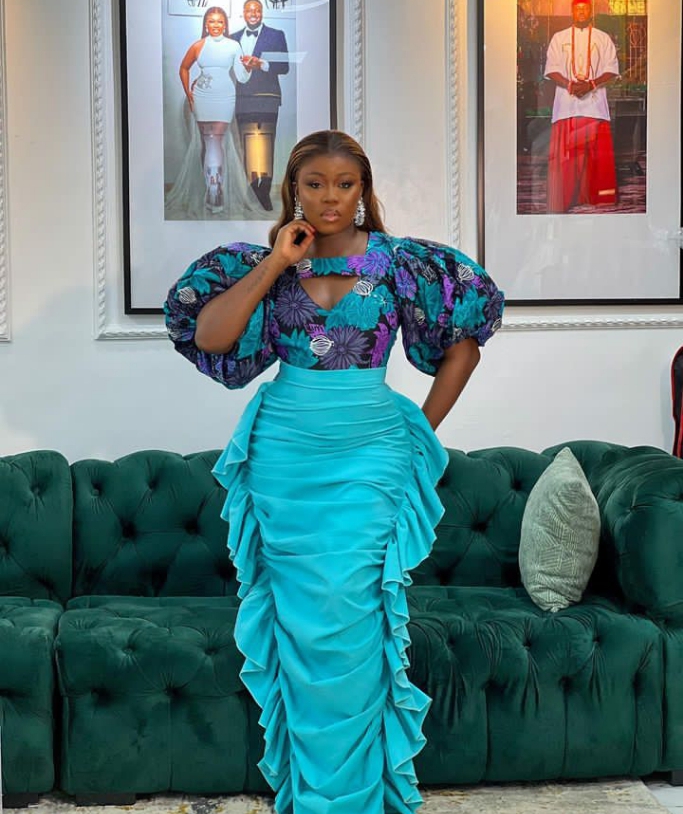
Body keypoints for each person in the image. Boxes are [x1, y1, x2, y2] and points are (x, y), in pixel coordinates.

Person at [164, 130, 504, 813]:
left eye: (344, 184)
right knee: (299, 623)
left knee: (351, 617)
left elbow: (464, 346)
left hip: (370, 453)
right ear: (294, 189)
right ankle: (313, 797)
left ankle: (352, 798)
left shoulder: (401, 264)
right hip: (284, 457)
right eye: (313, 184)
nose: (329, 198)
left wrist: (418, 434)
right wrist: (275, 262)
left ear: (362, 190)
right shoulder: (264, 264)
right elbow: (210, 336)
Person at [544, 0, 620, 213]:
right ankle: (566, 198)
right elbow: (551, 68)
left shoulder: (602, 38)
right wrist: (569, 84)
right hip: (566, 104)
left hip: (594, 104)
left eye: (585, 9)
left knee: (596, 154)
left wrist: (591, 84)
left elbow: (611, 68)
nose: (581, 13)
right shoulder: (559, 38)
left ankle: (598, 198)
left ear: (590, 12)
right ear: (572, 12)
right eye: (577, 9)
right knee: (567, 155)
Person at [173, 7, 250, 214]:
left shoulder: (234, 46)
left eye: (220, 21)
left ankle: (214, 189)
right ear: (206, 24)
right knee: (209, 141)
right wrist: (189, 94)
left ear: (225, 24)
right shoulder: (198, 46)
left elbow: (242, 77)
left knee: (215, 140)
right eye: (211, 21)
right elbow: (183, 68)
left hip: (225, 96)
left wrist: (249, 67)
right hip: (202, 97)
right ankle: (213, 189)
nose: (216, 25)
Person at [231, 0, 290, 211]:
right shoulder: (233, 38)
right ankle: (250, 192)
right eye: (249, 10)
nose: (253, 13)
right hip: (242, 98)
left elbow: (284, 66)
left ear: (262, 13)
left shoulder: (276, 35)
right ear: (243, 13)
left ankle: (263, 192)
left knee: (265, 143)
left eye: (257, 10)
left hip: (267, 96)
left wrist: (261, 64)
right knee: (246, 144)